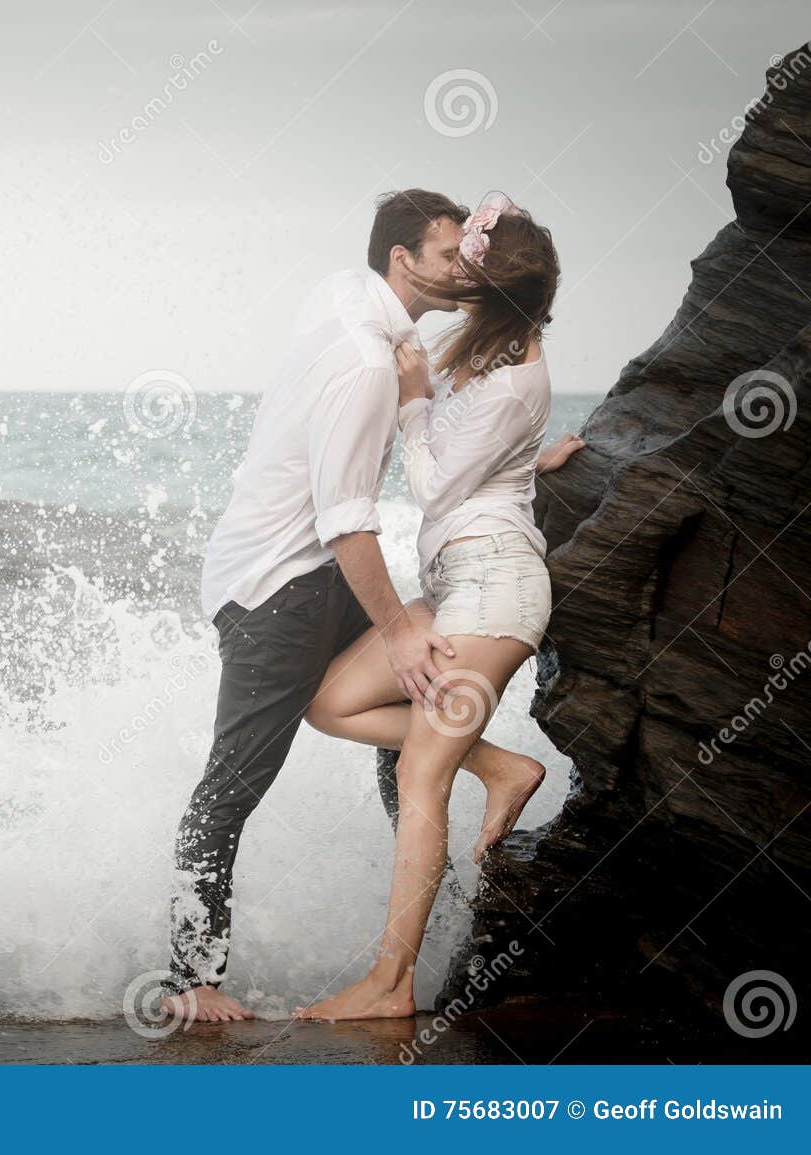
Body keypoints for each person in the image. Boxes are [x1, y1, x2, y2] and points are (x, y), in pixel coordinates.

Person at [162, 190, 472, 1024]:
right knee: (233, 783)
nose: (463, 270)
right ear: (402, 260)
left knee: (408, 710)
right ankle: (190, 978)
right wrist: (401, 630)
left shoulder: (345, 292)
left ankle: (426, 930)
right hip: (274, 586)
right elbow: (345, 521)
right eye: (449, 257)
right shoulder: (366, 362)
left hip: (320, 574)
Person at [294, 191, 582, 1022]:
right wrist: (536, 457)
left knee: (422, 773)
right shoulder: (499, 349)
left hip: (495, 591)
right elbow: (493, 450)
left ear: (494, 294)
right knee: (330, 700)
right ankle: (503, 766)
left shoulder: (508, 375)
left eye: (469, 267)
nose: (456, 271)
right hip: (460, 582)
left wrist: (415, 393)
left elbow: (428, 478)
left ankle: (390, 985)